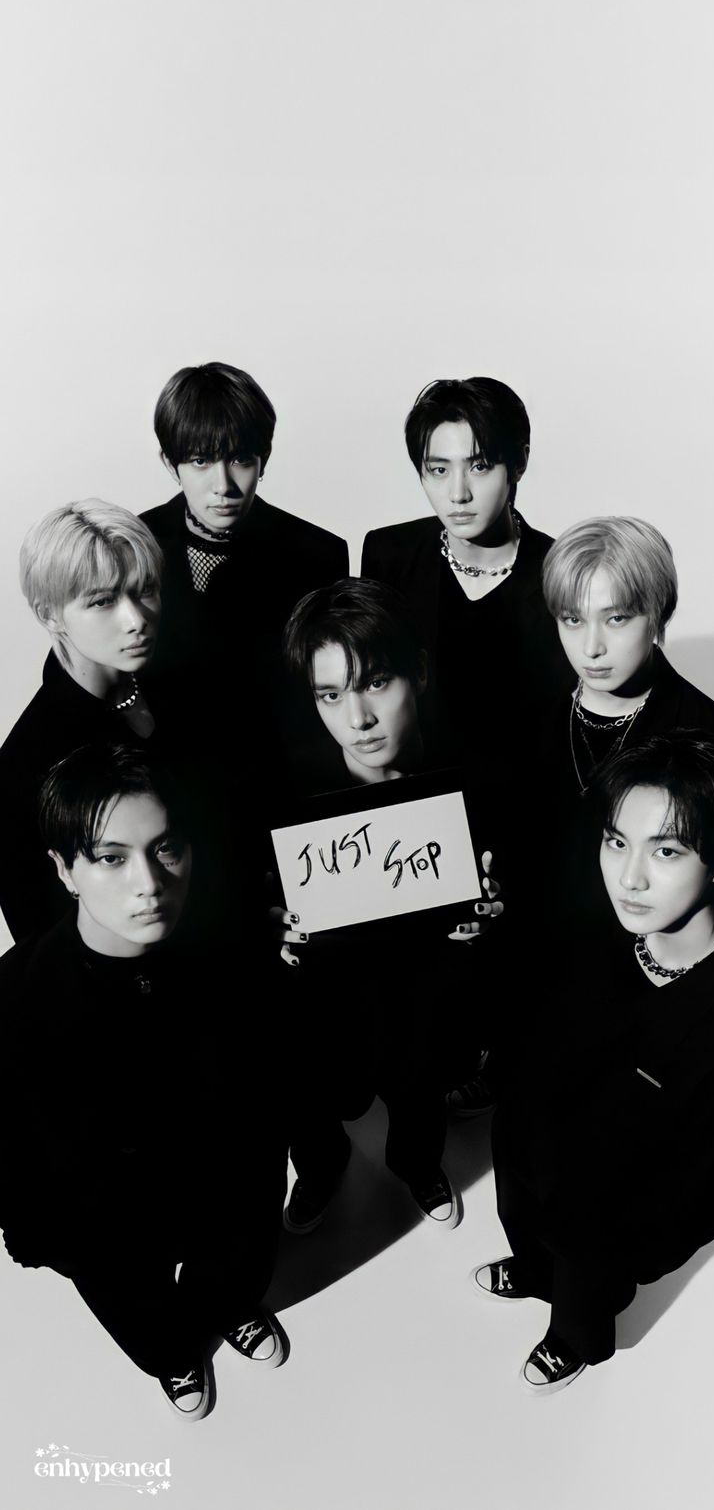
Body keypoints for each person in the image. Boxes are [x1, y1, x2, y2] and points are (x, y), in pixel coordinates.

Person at [0, 744, 288, 1421]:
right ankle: (178, 1355)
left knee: (235, 1277)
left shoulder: (235, 956)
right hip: (112, 1232)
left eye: (166, 849)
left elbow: (279, 1087)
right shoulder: (16, 998)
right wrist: (63, 1243)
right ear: (64, 870)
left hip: (225, 1201)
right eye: (111, 857)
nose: (149, 884)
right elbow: (13, 1164)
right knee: (157, 1335)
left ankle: (227, 1312)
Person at [471, 731, 714, 1392]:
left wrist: (620, 1252)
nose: (629, 877)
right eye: (617, 842)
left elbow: (710, 1187)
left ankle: (573, 1342)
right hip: (537, 1159)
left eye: (666, 851)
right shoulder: (596, 923)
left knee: (584, 1302)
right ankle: (532, 1269)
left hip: (615, 1224)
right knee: (531, 1234)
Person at [275, 578, 501, 1235]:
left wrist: (490, 915)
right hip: (328, 1001)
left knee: (420, 1085)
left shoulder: (477, 775)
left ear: (419, 674)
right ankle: (319, 1168)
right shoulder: (286, 789)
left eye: (376, 682)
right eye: (331, 695)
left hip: (430, 997)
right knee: (309, 1083)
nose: (358, 719)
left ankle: (417, 1162)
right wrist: (276, 931)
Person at [535, 515, 714, 940]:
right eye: (573, 619)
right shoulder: (528, 724)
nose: (591, 648)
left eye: (617, 618)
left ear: (657, 613)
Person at [361, 376, 573, 775]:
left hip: (527, 799)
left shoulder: (561, 572)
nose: (458, 493)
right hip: (416, 797)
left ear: (519, 463)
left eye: (479, 466)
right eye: (439, 470)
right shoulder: (388, 555)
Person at [141, 361, 349, 744]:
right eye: (200, 461)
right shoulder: (135, 545)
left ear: (263, 459)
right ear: (171, 464)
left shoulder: (318, 555)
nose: (223, 485)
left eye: (240, 459)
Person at [0, 500, 166, 942]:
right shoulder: (24, 763)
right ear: (49, 615)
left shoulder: (186, 693)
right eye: (103, 601)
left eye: (144, 590)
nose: (136, 620)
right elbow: (43, 941)